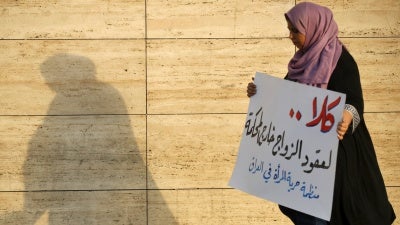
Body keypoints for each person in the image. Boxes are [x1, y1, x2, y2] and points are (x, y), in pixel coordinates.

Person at [247, 2, 396, 225]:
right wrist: (260, 92)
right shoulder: (301, 63)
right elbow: (288, 96)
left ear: (314, 27)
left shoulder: (341, 60)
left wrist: (347, 116)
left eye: (295, 30)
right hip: (304, 161)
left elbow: (354, 100)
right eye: (289, 30)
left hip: (336, 159)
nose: (290, 36)